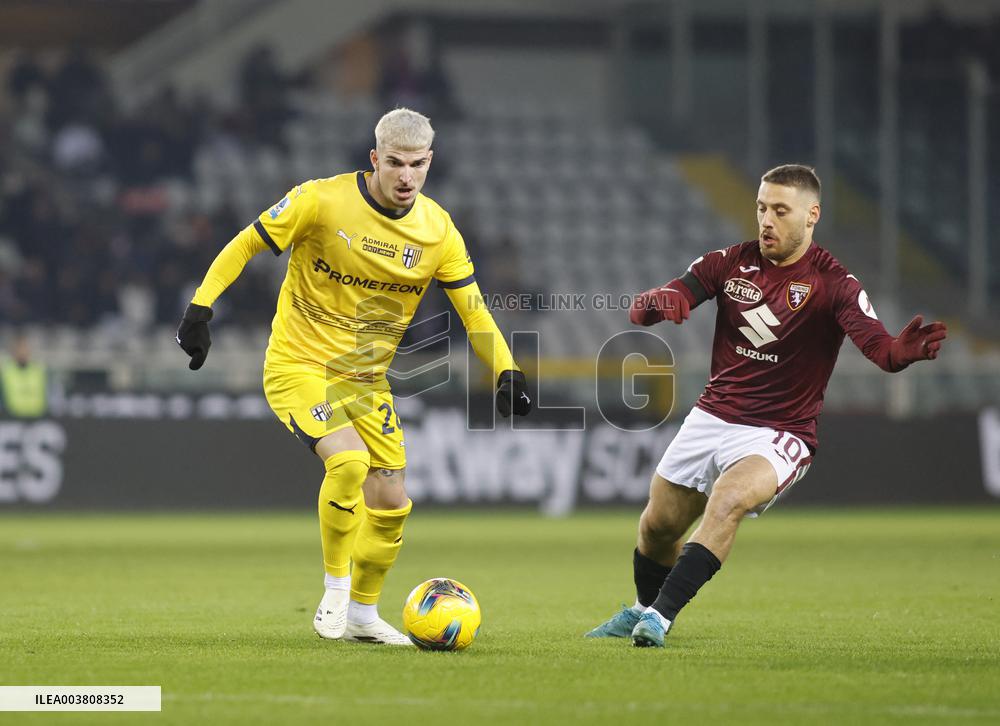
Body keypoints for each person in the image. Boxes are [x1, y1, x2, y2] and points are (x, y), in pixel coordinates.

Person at [176, 108, 532, 645]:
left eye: (417, 164)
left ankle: (365, 615)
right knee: (348, 461)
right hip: (298, 365)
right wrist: (200, 309)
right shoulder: (321, 200)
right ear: (375, 159)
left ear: (430, 163)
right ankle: (336, 591)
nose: (406, 176)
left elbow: (474, 312)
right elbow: (247, 241)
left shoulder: (438, 231)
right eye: (395, 163)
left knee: (391, 503)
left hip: (365, 382)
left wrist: (506, 370)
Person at [586, 164, 947, 648]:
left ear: (812, 215)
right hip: (712, 416)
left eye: (780, 210)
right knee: (657, 526)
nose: (767, 221)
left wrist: (900, 354)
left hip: (779, 432)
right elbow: (647, 307)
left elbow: (879, 349)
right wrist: (660, 301)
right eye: (761, 208)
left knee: (729, 499)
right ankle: (642, 609)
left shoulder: (835, 283)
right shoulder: (728, 262)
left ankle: (660, 618)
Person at [0, 333, 48, 418]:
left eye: (24, 348)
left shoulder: (38, 371)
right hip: (11, 419)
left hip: (37, 419)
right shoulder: (5, 371)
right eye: (19, 348)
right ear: (13, 350)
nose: (22, 351)